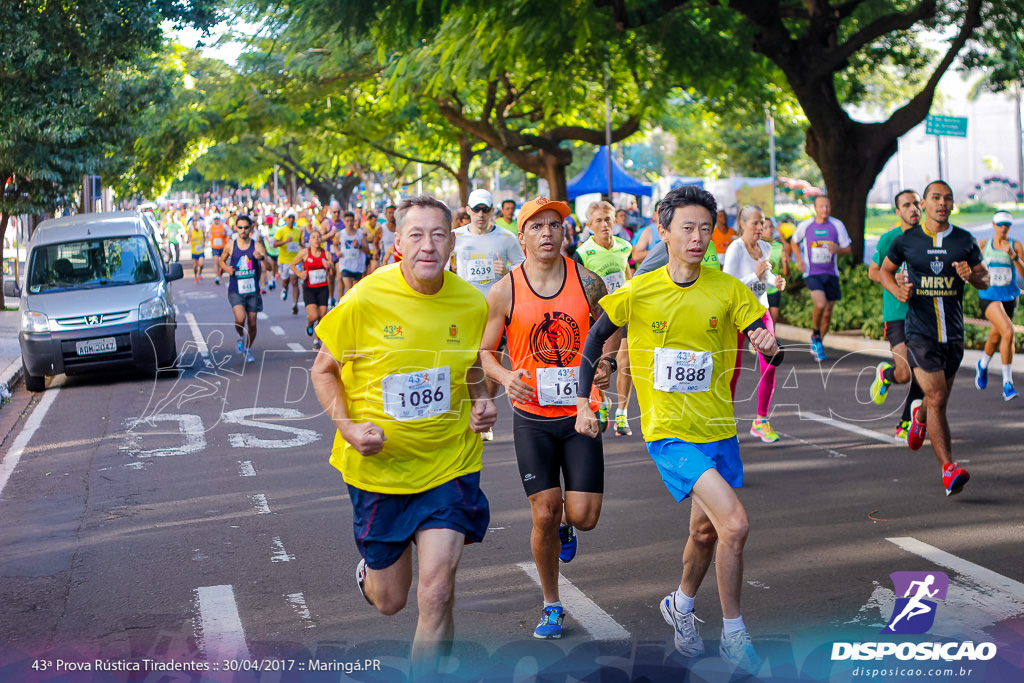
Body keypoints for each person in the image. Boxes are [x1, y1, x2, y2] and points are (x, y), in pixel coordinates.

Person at [574, 185, 782, 673]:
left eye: (705, 229)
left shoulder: (727, 288)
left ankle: (680, 606)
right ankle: (734, 633)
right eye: (686, 228)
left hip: (717, 430)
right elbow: (594, 339)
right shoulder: (638, 291)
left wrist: (768, 345)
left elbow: (768, 347)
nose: (697, 237)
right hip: (669, 433)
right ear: (662, 231)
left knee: (707, 534)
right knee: (736, 524)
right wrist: (587, 400)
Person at [310, 195, 496, 677]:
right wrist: (348, 428)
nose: (428, 245)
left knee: (436, 590)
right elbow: (323, 371)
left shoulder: (471, 302)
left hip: (449, 463)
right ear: (398, 243)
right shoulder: (366, 298)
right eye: (416, 235)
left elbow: (472, 367)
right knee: (391, 601)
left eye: (438, 234)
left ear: (453, 242)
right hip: (380, 469)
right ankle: (372, 573)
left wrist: (480, 399)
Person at [479, 196, 616, 640]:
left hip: (580, 412)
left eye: (553, 225)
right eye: (535, 227)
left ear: (564, 232)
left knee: (585, 516)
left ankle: (566, 525)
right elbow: (485, 351)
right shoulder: (505, 290)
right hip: (532, 417)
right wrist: (504, 375)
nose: (546, 234)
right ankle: (552, 604)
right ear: (522, 238)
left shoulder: (589, 282)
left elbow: (614, 327)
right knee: (543, 514)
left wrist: (607, 365)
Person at [879, 180, 989, 496]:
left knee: (936, 399)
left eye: (947, 199)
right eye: (935, 198)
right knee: (938, 397)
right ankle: (948, 469)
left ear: (952, 205)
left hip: (953, 335)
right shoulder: (906, 241)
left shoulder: (964, 240)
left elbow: (985, 278)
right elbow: (885, 271)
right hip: (920, 333)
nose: (942, 203)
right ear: (923, 204)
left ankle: (919, 418)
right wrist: (896, 289)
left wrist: (973, 276)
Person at [452, 188, 526, 441]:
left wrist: (506, 269)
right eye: (476, 209)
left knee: (492, 363)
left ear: (492, 211)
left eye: (485, 209)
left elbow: (523, 268)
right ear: (468, 210)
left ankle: (485, 412)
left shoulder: (506, 238)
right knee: (468, 361)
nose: (480, 214)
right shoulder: (455, 237)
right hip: (465, 311)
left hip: (496, 311)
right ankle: (471, 410)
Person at [723, 205, 787, 443]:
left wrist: (775, 281)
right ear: (742, 224)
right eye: (755, 223)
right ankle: (725, 424)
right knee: (733, 369)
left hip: (761, 311)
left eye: (763, 223)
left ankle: (761, 420)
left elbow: (764, 277)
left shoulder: (766, 247)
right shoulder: (735, 249)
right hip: (737, 315)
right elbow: (728, 286)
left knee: (770, 362)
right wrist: (755, 275)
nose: (760, 228)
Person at [868, 190, 926, 440]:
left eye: (916, 204)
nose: (913, 209)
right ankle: (886, 374)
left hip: (924, 315)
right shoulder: (889, 238)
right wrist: (892, 277)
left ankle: (905, 423)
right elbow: (874, 272)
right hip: (897, 315)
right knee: (904, 373)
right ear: (898, 211)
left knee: (924, 370)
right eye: (906, 205)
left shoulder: (930, 238)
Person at [574, 200, 634, 436]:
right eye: (598, 220)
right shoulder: (582, 252)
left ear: (615, 221)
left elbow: (627, 275)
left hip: (623, 312)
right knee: (601, 365)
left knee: (625, 362)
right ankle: (603, 401)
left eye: (608, 218)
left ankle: (622, 414)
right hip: (598, 318)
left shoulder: (624, 246)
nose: (605, 224)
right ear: (590, 225)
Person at [793, 195, 852, 361]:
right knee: (821, 303)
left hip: (831, 273)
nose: (825, 209)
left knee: (828, 312)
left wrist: (837, 249)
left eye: (827, 206)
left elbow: (847, 249)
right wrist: (798, 259)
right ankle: (816, 335)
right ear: (815, 208)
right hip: (812, 273)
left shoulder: (837, 225)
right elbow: (793, 242)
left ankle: (818, 341)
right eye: (821, 206)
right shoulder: (806, 225)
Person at [974, 211, 1024, 400]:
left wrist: (1013, 257)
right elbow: (970, 265)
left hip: (1009, 297)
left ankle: (983, 364)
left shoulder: (1015, 245)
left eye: (1007, 225)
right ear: (993, 225)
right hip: (988, 296)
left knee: (997, 337)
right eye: (1000, 224)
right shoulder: (984, 245)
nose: (1004, 228)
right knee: (1009, 331)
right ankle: (1007, 384)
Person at [218, 215, 265, 363]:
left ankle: (248, 349)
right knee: (240, 319)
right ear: (236, 228)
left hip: (253, 291)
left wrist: (261, 258)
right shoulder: (230, 245)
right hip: (236, 289)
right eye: (240, 227)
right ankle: (240, 336)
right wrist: (227, 269)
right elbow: (221, 261)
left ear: (251, 228)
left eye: (246, 227)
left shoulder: (256, 245)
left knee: (252, 323)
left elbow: (269, 266)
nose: (243, 230)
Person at [293, 229, 335, 349]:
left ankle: (317, 341)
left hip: (323, 288)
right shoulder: (305, 253)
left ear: (321, 239)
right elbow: (292, 264)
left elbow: (333, 274)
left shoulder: (326, 254)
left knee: (322, 316)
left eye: (318, 237)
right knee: (314, 315)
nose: (316, 239)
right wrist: (300, 274)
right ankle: (310, 322)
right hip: (309, 288)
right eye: (313, 237)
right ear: (309, 240)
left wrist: (330, 266)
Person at [274, 209, 304, 314]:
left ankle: (295, 304)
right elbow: (274, 244)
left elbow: (300, 243)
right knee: (285, 280)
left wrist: (305, 249)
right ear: (286, 219)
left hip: (295, 260)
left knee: (294, 281)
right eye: (289, 218)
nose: (291, 220)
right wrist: (285, 241)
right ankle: (284, 288)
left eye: (293, 218)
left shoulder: (298, 231)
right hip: (284, 260)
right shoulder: (281, 231)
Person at [336, 210, 371, 299]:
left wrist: (359, 246)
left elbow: (367, 251)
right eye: (347, 221)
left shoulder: (360, 234)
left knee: (356, 292)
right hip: (345, 265)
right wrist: (337, 252)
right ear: (344, 221)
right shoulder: (340, 234)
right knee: (349, 289)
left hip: (358, 266)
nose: (350, 223)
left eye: (352, 221)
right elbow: (335, 244)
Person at [631, 200, 662, 265]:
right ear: (654, 215)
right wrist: (658, 251)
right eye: (660, 212)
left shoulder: (674, 230)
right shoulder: (647, 231)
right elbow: (635, 256)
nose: (663, 215)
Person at [209, 214, 230, 285]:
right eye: (215, 219)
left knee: (223, 262)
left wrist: (225, 233)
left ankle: (220, 273)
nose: (216, 221)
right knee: (216, 262)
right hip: (215, 247)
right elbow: (209, 235)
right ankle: (217, 277)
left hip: (223, 247)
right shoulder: (211, 227)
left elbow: (230, 232)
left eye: (217, 219)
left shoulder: (223, 226)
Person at [188, 215, 206, 282]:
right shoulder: (191, 231)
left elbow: (204, 238)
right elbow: (187, 240)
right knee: (195, 265)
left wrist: (204, 243)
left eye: (197, 224)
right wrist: (189, 240)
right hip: (194, 251)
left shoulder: (202, 231)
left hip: (200, 250)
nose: (196, 225)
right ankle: (195, 276)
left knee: (201, 264)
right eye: (194, 224)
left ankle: (200, 273)